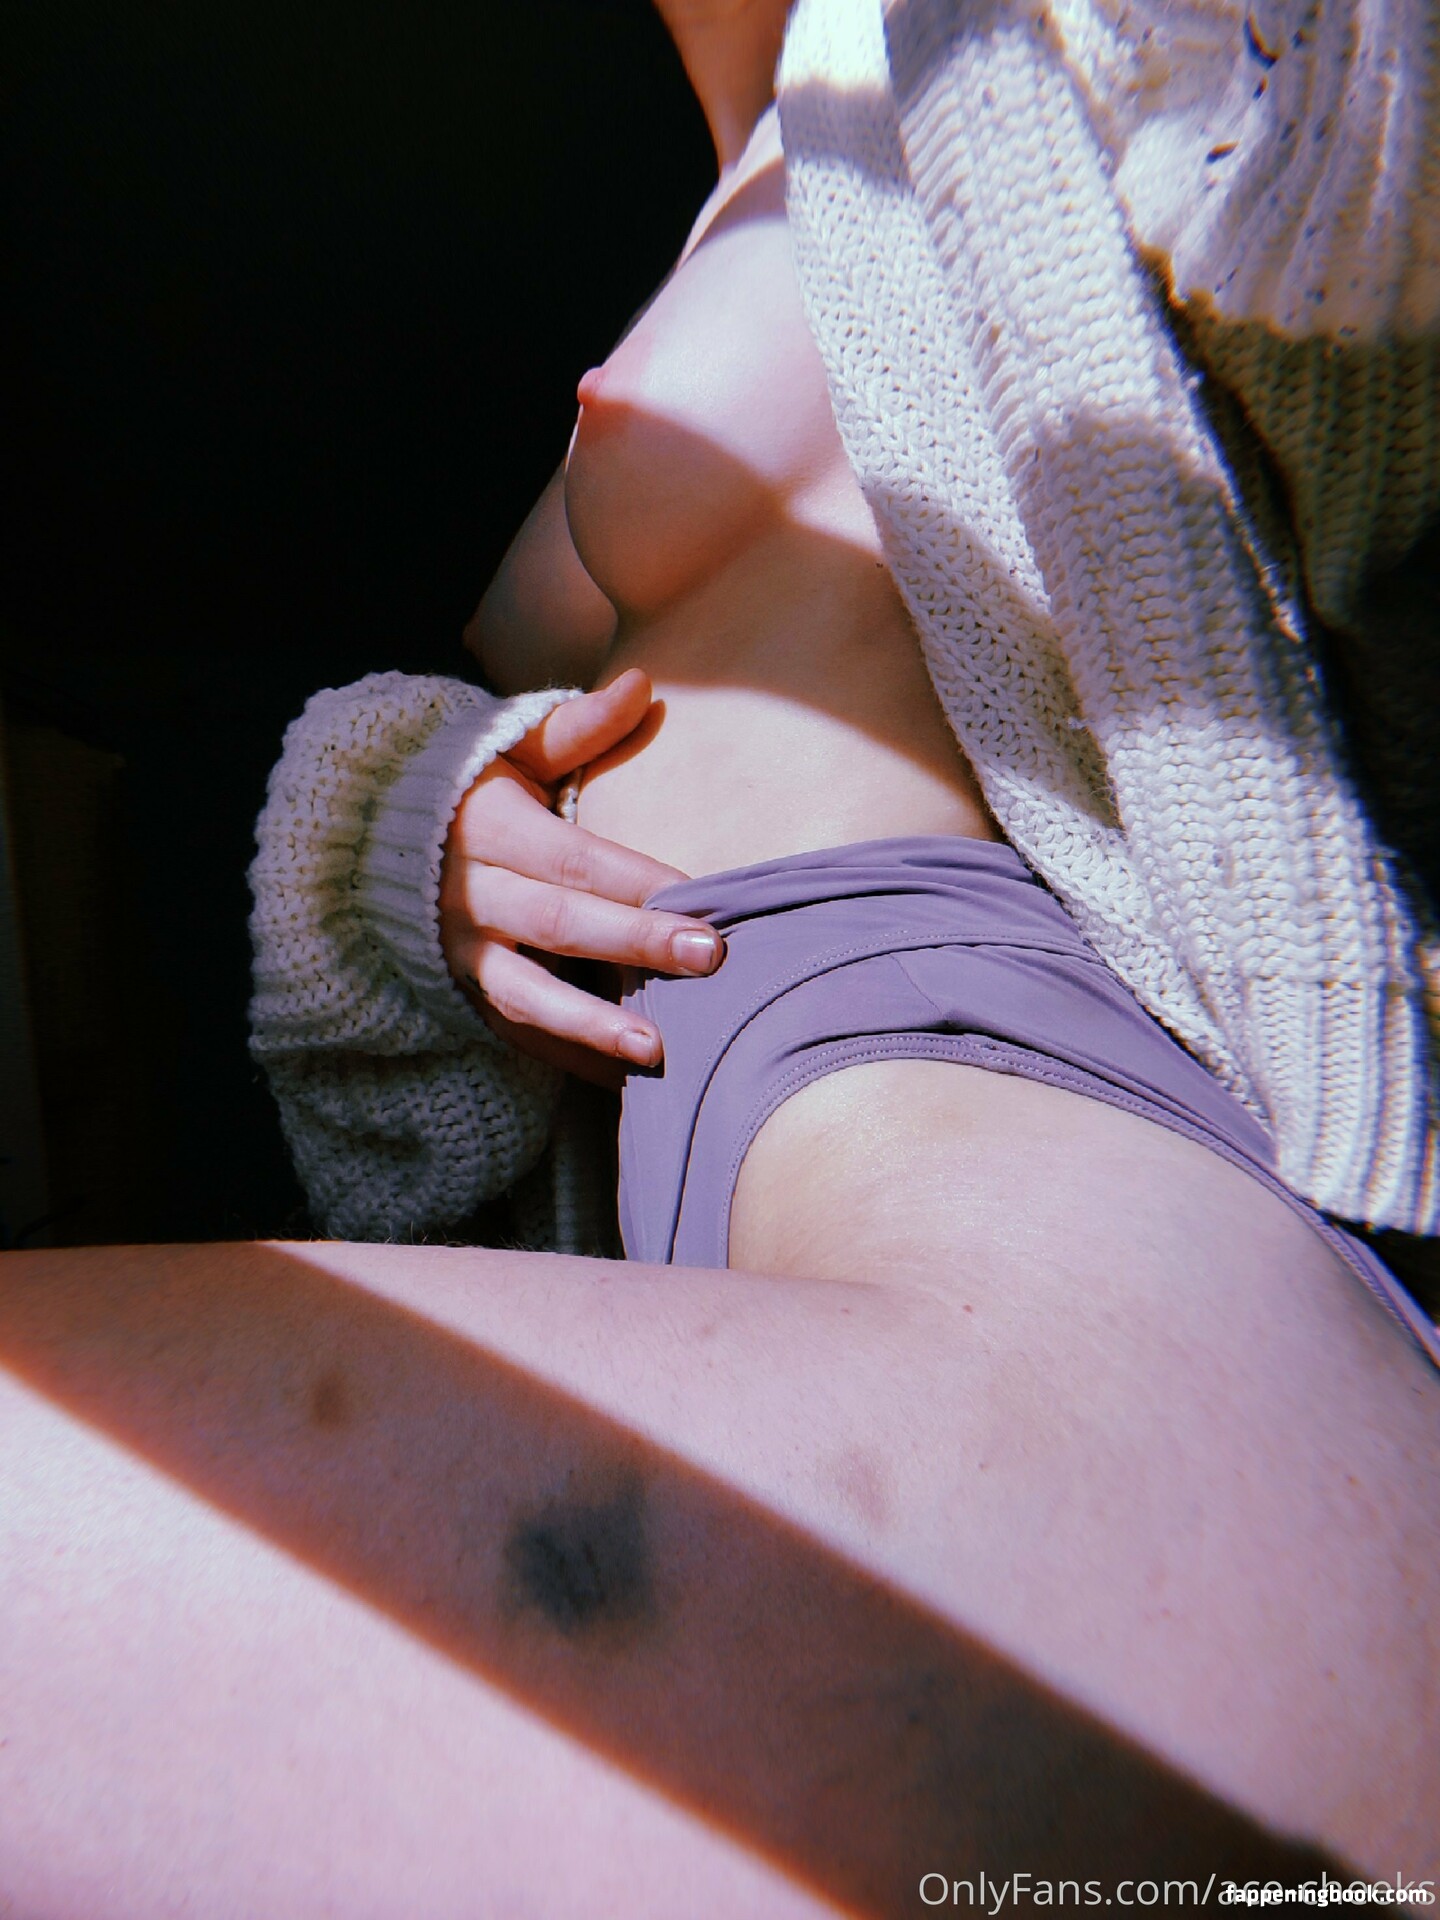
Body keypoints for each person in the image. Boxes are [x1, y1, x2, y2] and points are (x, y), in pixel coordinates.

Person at [4, 0, 1438, 1903]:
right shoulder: (745, 177)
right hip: (760, 1190)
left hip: (1029, 1172)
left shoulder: (1016, 75)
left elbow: (1348, 166)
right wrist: (429, 828)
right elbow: (542, 709)